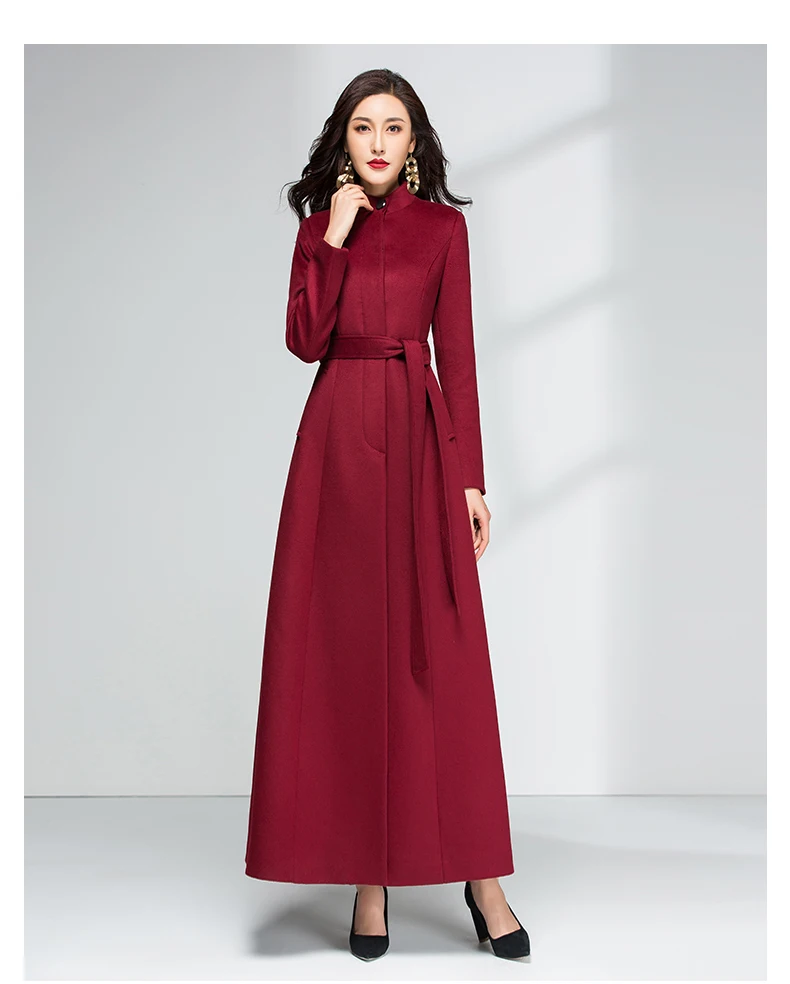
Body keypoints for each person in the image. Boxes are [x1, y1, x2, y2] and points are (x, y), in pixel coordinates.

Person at [245, 68, 530, 962]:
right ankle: (368, 882)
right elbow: (304, 341)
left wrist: (470, 480)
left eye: (393, 127)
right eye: (363, 126)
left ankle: (483, 879)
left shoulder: (443, 230)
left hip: (418, 440)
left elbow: (462, 357)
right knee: (350, 657)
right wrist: (331, 236)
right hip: (336, 450)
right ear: (345, 139)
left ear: (414, 145)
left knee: (444, 657)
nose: (377, 141)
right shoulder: (317, 230)